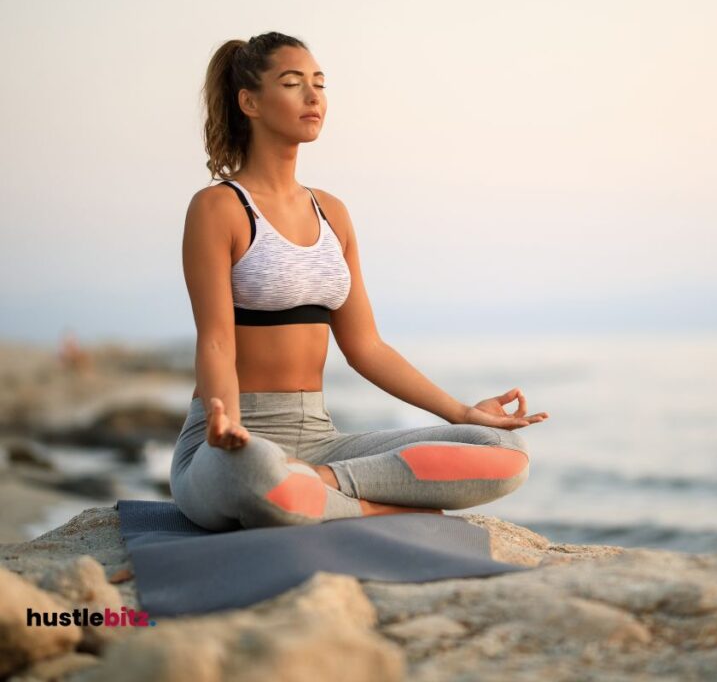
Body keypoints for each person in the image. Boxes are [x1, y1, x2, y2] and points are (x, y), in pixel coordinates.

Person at [170, 31, 549, 531]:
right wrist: (226, 424)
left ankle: (317, 486)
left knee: (504, 451)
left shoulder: (333, 213)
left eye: (319, 84)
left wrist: (461, 413)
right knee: (259, 472)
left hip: (321, 440)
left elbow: (366, 347)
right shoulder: (218, 208)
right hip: (232, 439)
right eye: (292, 83)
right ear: (249, 102)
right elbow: (216, 342)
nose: (313, 98)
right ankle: (373, 505)